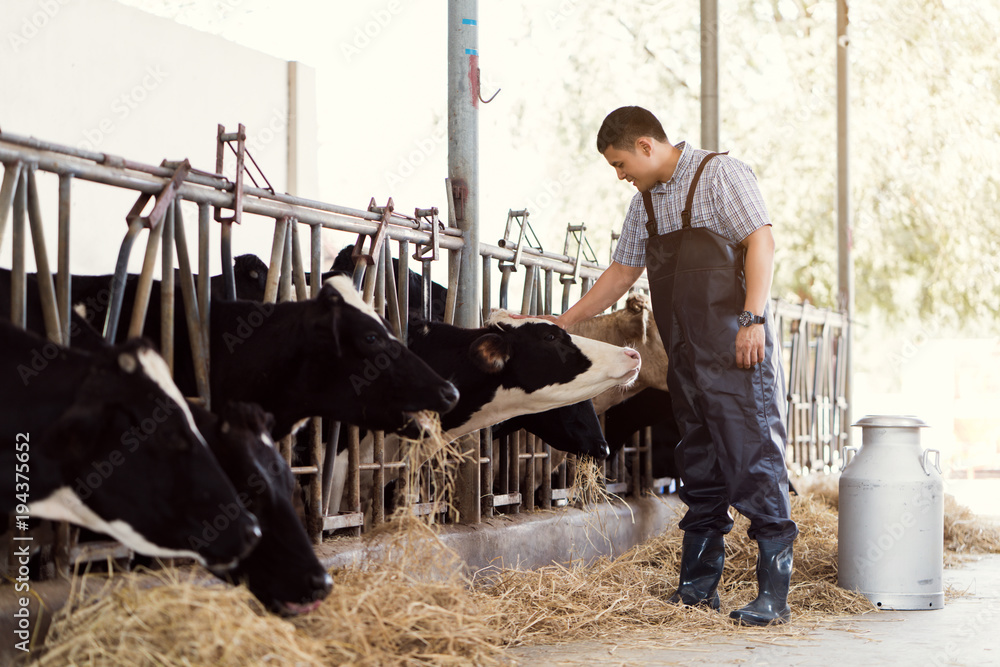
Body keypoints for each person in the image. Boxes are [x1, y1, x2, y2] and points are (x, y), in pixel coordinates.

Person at [541, 106, 798, 626]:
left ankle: (774, 595)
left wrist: (752, 319)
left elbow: (762, 242)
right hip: (685, 359)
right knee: (698, 467)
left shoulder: (720, 174)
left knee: (754, 460)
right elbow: (621, 273)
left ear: (644, 145)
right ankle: (698, 591)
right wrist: (565, 322)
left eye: (620, 164)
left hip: (734, 350)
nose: (620, 176)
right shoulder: (645, 206)